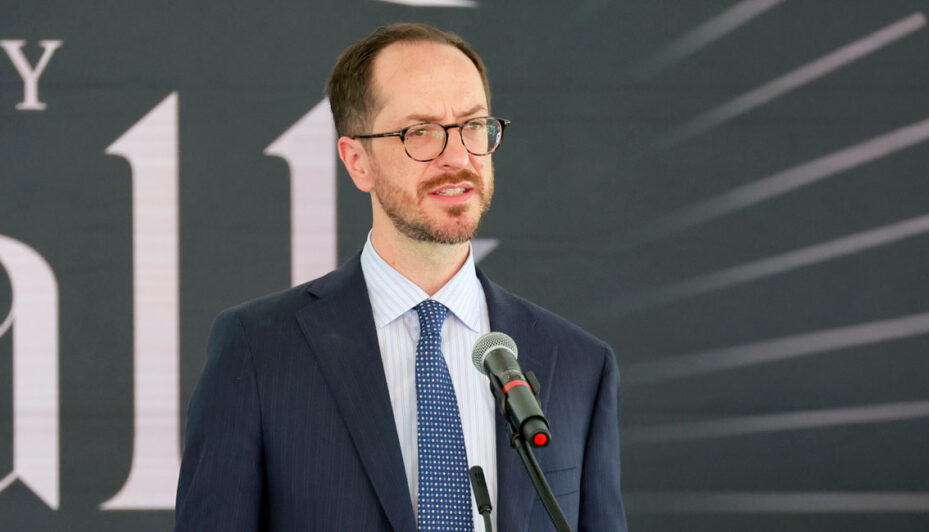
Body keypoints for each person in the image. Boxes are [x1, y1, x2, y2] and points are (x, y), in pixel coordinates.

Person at [175, 22, 627, 532]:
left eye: (473, 125)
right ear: (357, 161)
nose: (458, 158)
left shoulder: (580, 366)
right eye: (420, 132)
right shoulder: (258, 351)